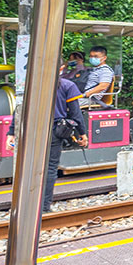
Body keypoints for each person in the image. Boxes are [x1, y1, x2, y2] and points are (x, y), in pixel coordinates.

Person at [45, 67, 86, 213]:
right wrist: (83, 133)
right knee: (50, 167)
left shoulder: (34, 84)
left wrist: (11, 132)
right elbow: (75, 113)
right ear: (61, 68)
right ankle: (44, 206)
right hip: (55, 130)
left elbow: (19, 109)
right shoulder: (67, 85)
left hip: (33, 131)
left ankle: (28, 203)